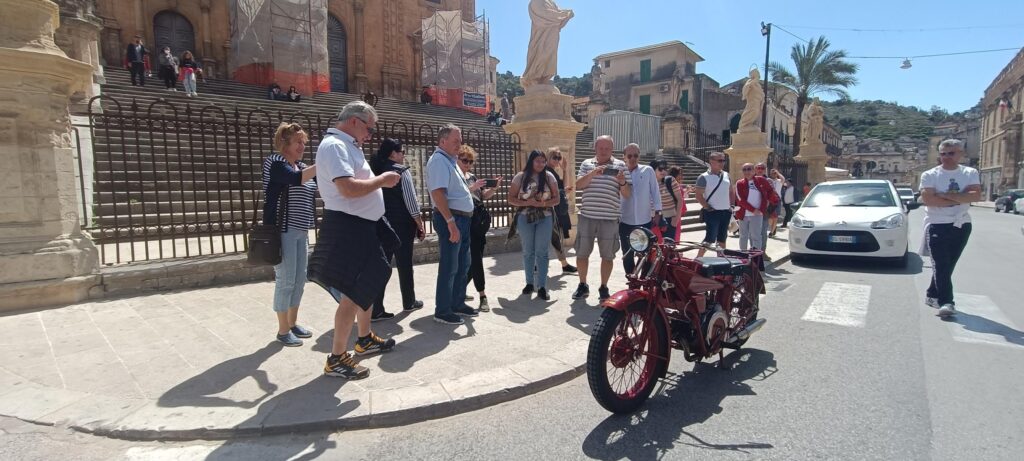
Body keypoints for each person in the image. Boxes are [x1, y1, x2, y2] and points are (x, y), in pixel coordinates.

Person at [307, 101, 400, 379]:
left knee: (367, 282)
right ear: (355, 121)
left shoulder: (347, 145)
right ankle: (336, 358)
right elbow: (347, 188)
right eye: (370, 129)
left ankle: (363, 338)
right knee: (351, 292)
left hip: (362, 226)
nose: (370, 135)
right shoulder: (335, 146)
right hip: (349, 227)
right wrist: (382, 180)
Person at [262, 122, 317, 347]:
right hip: (282, 230)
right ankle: (283, 330)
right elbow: (295, 180)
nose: (302, 146)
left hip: (301, 230)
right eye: (298, 142)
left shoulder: (301, 166)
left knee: (299, 279)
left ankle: (292, 323)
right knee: (285, 280)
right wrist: (323, 162)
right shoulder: (275, 163)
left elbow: (309, 182)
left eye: (304, 142)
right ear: (284, 143)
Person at [919, 139, 981, 317]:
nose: (946, 157)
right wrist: (959, 198)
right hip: (937, 223)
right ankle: (946, 302)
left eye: (951, 153)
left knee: (948, 264)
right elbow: (929, 200)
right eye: (943, 154)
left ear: (961, 154)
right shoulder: (930, 175)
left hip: (962, 224)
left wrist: (943, 195)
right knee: (940, 264)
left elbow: (975, 196)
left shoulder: (970, 172)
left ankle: (932, 294)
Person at [427, 123, 479, 325]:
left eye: (460, 140)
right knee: (450, 266)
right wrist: (450, 222)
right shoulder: (439, 161)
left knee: (462, 264)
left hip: (462, 219)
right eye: (456, 140)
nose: (460, 144)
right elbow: (438, 193)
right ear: (443, 141)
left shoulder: (450, 161)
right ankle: (443, 309)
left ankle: (457, 303)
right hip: (452, 218)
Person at [369, 137, 425, 321]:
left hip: (383, 223)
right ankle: (409, 301)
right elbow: (410, 200)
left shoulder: (376, 171)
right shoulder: (401, 171)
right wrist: (419, 221)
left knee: (382, 266)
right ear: (393, 153)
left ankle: (376, 308)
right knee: (405, 265)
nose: (403, 155)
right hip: (401, 224)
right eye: (401, 152)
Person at [572, 135, 631, 301]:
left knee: (608, 255)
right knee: (582, 253)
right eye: (601, 148)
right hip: (587, 216)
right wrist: (592, 173)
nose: (604, 151)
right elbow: (579, 185)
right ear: (595, 149)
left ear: (612, 150)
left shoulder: (621, 166)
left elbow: (627, 194)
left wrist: (622, 182)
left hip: (610, 218)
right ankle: (582, 285)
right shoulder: (586, 164)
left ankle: (604, 287)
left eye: (607, 148)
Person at [508, 150, 560, 300]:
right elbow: (511, 198)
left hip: (545, 217)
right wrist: (527, 202)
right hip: (525, 217)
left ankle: (542, 286)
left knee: (542, 252)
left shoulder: (549, 177)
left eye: (543, 161)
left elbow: (556, 199)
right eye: (538, 161)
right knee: (528, 251)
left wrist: (543, 203)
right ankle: (529, 283)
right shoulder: (520, 177)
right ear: (531, 161)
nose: (541, 164)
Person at [459, 144, 500, 312]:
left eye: (470, 161)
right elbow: (457, 196)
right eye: (465, 160)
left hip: (478, 221)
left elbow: (482, 197)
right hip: (465, 221)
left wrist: (494, 188)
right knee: (475, 258)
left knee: (475, 257)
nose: (468, 164)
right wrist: (472, 188)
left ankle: (460, 290)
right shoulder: (456, 176)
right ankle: (482, 295)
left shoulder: (471, 176)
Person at [619, 144, 661, 273]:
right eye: (630, 156)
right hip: (625, 220)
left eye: (636, 155)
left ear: (639, 156)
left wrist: (658, 211)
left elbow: (655, 191)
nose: (633, 158)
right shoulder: (619, 172)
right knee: (627, 253)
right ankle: (631, 279)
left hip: (644, 220)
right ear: (624, 157)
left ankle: (644, 279)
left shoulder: (647, 170)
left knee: (646, 253)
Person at [694, 151, 734, 256]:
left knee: (722, 238)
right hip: (712, 212)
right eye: (720, 160)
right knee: (710, 238)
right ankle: (698, 259)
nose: (722, 163)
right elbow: (698, 195)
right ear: (711, 161)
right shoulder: (703, 177)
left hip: (726, 212)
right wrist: (707, 207)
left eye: (724, 160)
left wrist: (732, 206)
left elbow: (731, 191)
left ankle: (721, 260)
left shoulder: (726, 175)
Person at [546, 148, 576, 273]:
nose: (557, 160)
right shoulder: (546, 172)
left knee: (556, 237)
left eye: (559, 157)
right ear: (548, 157)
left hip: (558, 208)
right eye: (555, 157)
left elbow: (564, 186)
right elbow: (548, 192)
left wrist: (565, 170)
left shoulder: (553, 171)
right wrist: (563, 191)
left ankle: (564, 264)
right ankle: (563, 264)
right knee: (553, 237)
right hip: (550, 209)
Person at [735, 163, 774, 251]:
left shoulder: (761, 180)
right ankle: (743, 255)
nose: (746, 171)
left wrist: (766, 203)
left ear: (753, 171)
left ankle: (755, 258)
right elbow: (740, 199)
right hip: (743, 214)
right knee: (743, 236)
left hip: (757, 214)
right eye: (744, 169)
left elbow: (770, 191)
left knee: (756, 236)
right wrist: (753, 210)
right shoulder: (739, 183)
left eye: (749, 169)